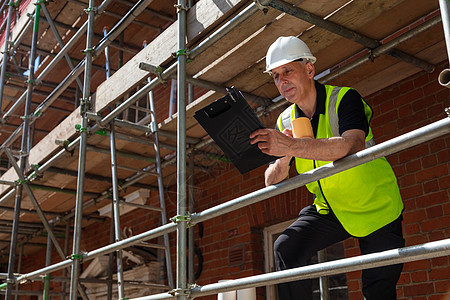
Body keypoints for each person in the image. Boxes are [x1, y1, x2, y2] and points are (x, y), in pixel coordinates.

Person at [249, 36, 405, 299]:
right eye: (275, 76)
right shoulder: (284, 118)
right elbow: (270, 180)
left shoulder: (344, 98)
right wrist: (285, 155)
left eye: (288, 71)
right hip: (330, 208)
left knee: (378, 292)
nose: (282, 81)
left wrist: (292, 146)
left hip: (375, 204)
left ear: (309, 69)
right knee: (286, 247)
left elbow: (352, 144)